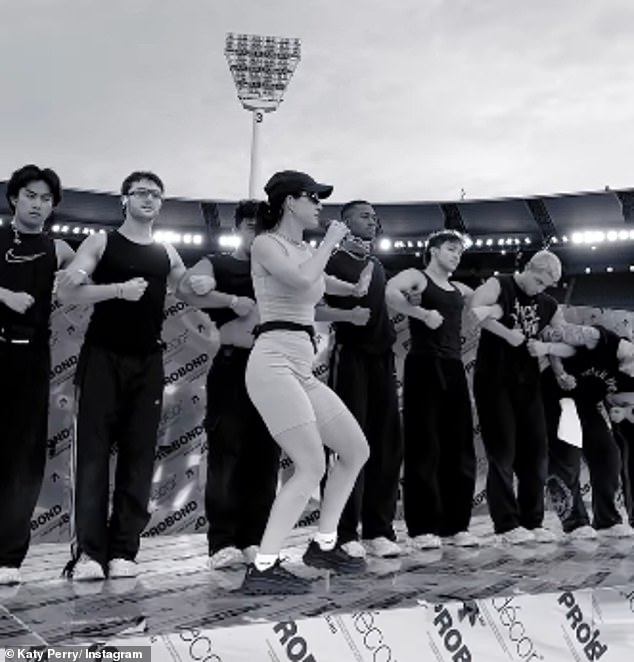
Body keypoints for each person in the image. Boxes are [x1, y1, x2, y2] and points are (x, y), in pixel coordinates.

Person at [240, 170, 370, 595]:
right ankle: (264, 565)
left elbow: (318, 282)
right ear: (289, 202)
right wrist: (331, 243)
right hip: (272, 361)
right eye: (313, 198)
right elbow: (299, 279)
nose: (319, 206)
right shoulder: (266, 243)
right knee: (311, 465)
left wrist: (354, 287)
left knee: (355, 450)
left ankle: (324, 544)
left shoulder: (301, 249)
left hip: (300, 365)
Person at [56, 171, 186, 581]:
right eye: (141, 193)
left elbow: (190, 290)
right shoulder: (102, 241)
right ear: (124, 200)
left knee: (139, 458)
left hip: (148, 362)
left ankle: (124, 551)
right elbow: (68, 290)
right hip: (102, 359)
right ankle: (89, 554)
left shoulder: (168, 252)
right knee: (92, 458)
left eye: (156, 194)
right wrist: (113, 289)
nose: (149, 199)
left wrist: (206, 285)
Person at [177, 200, 281, 569]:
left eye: (265, 227)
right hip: (234, 367)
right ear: (238, 227)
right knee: (228, 453)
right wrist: (228, 299)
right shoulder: (220, 263)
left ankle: (255, 538)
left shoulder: (279, 270)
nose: (257, 232)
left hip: (274, 368)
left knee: (265, 457)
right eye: (251, 225)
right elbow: (185, 289)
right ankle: (222, 541)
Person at [0, 165, 74, 586]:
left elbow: (88, 269)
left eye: (46, 199)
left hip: (33, 358)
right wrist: (4, 294)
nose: (38, 204)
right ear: (15, 198)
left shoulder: (58, 247)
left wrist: (77, 273)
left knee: (24, 458)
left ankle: (8, 558)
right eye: (30, 196)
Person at [315, 200, 402, 559]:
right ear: (345, 222)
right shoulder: (330, 260)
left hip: (383, 362)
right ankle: (342, 530)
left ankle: (379, 529)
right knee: (348, 446)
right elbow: (313, 307)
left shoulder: (377, 264)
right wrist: (348, 317)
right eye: (365, 216)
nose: (373, 222)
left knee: (387, 445)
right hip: (350, 358)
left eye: (374, 217)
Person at [386, 230, 482, 549]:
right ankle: (422, 528)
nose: (457, 255)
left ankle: (457, 525)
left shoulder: (458, 289)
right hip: (424, 365)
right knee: (424, 447)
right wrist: (421, 313)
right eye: (451, 249)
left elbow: (489, 299)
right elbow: (390, 292)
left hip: (453, 368)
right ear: (434, 251)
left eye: (460, 252)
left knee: (460, 448)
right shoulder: (418, 277)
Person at [470, 251, 569, 544]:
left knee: (536, 453)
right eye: (538, 281)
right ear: (527, 268)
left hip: (528, 385)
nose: (540, 289)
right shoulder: (500, 284)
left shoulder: (549, 304)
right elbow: (473, 309)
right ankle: (507, 525)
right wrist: (505, 333)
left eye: (546, 286)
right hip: (494, 381)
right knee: (502, 452)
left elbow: (564, 343)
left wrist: (547, 350)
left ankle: (533, 521)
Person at [541, 322, 634, 539]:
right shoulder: (600, 338)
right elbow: (550, 335)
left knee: (608, 454)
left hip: (586, 403)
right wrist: (560, 372)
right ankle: (575, 523)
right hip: (555, 395)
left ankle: (607, 520)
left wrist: (625, 411)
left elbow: (624, 399)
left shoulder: (628, 375)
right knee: (566, 455)